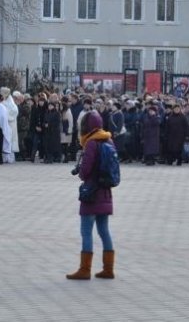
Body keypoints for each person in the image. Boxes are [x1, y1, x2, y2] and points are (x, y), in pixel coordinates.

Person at [67, 110, 115, 280]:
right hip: (106, 192)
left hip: (91, 193)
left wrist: (81, 172)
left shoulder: (91, 143)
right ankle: (108, 269)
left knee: (86, 231)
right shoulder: (108, 140)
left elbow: (85, 171)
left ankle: (85, 269)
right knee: (104, 231)